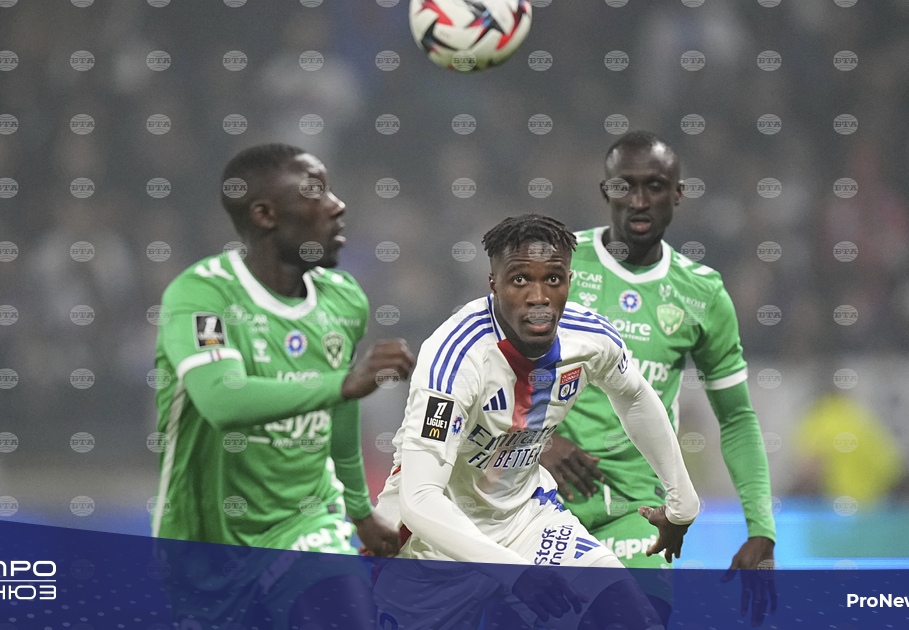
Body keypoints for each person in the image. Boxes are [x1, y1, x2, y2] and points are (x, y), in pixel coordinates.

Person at [372, 214, 699, 629]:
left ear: (569, 281)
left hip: (528, 521)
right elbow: (419, 499)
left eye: (553, 279)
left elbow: (634, 397)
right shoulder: (455, 359)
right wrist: (513, 572)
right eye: (520, 280)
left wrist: (683, 503)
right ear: (493, 284)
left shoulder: (589, 338)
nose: (538, 297)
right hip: (436, 544)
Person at [151, 143, 412, 628]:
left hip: (306, 521)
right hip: (205, 545)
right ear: (265, 214)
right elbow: (222, 399)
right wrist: (345, 383)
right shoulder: (203, 294)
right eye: (316, 192)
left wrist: (359, 510)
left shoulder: (343, 299)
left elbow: (340, 406)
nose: (337, 205)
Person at [539, 131, 777, 625]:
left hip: (639, 512)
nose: (640, 200)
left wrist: (761, 528)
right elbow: (489, 373)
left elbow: (736, 418)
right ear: (605, 191)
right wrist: (537, 440)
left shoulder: (701, 294)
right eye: (625, 186)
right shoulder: (557, 265)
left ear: (678, 193)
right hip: (540, 503)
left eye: (655, 186)